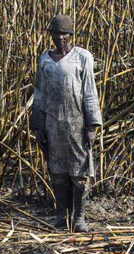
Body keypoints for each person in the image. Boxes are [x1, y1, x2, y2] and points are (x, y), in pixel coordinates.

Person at [30, 14, 103, 232]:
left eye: (64, 33)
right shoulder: (44, 60)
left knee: (78, 170)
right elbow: (39, 93)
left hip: (76, 123)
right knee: (58, 170)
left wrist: (92, 125)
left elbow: (90, 91)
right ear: (50, 34)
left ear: (70, 35)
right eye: (56, 33)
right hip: (53, 123)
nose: (60, 37)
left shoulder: (82, 57)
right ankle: (63, 215)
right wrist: (38, 124)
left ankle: (79, 218)